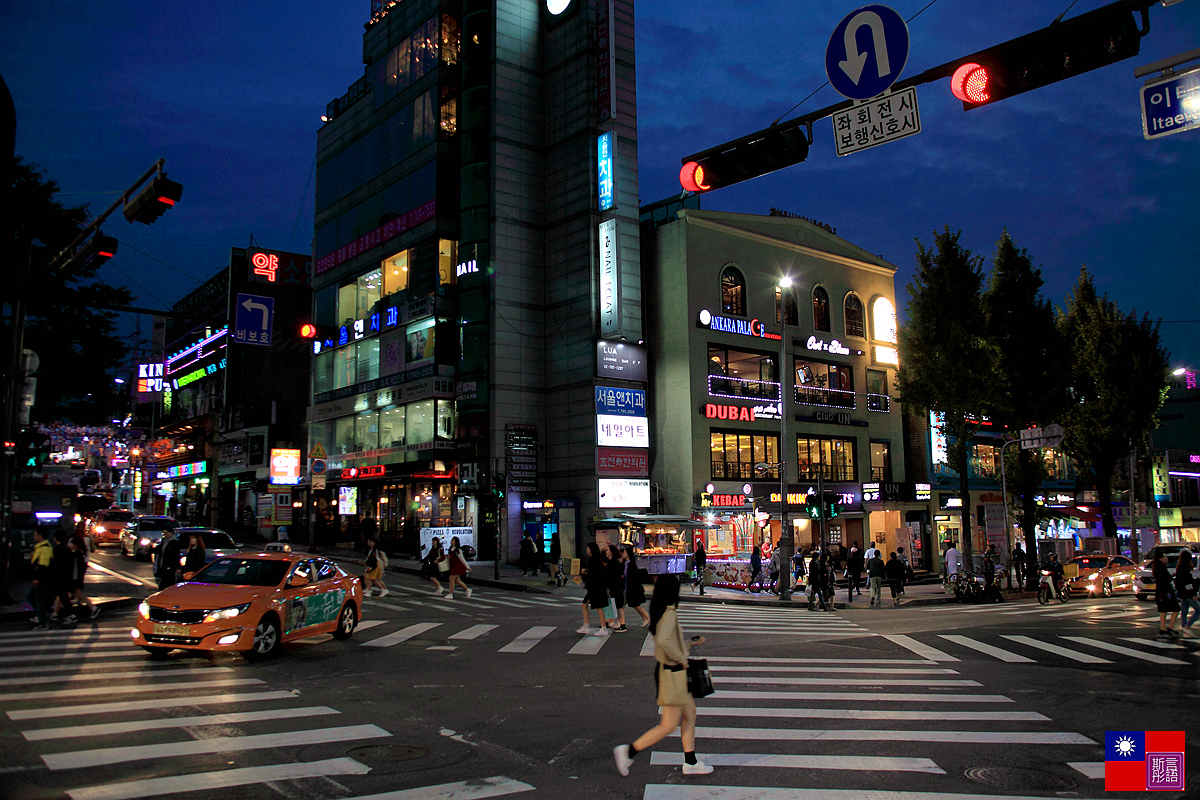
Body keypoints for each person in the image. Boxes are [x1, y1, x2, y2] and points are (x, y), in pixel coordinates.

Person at [612, 574, 713, 777]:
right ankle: (628, 751)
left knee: (689, 714)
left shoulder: (662, 612)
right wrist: (682, 658)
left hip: (671, 672)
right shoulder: (668, 614)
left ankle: (690, 761)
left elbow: (668, 641)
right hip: (672, 674)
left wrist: (691, 644)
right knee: (668, 725)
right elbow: (665, 642)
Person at [578, 542, 612, 636]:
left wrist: (583, 576)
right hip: (597, 587)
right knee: (586, 605)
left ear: (591, 549)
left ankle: (603, 628)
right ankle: (587, 626)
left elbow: (592, 576)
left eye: (587, 548)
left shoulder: (593, 560)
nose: (586, 550)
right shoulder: (597, 560)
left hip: (595, 588)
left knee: (598, 607)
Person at [63, 535, 99, 619]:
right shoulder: (80, 554)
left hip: (76, 579)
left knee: (76, 594)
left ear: (76, 545)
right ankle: (92, 608)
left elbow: (75, 569)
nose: (69, 545)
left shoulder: (76, 555)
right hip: (77, 578)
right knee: (77, 594)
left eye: (70, 543)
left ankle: (93, 608)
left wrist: (73, 579)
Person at [49, 531, 78, 625]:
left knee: (57, 596)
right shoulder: (67, 549)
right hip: (66, 577)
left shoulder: (57, 550)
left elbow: (54, 565)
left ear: (56, 538)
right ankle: (69, 615)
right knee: (62, 596)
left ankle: (45, 614)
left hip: (58, 577)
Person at [28, 529, 55, 629]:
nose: (33, 537)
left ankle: (43, 621)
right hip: (39, 579)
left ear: (40, 535)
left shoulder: (45, 548)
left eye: (35, 534)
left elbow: (43, 565)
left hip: (42, 580)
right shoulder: (40, 547)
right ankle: (42, 615)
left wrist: (37, 578)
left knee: (39, 600)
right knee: (32, 597)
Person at [1154, 549, 1181, 638]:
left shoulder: (1157, 568)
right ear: (1160, 559)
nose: (1166, 558)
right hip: (1166, 592)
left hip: (1160, 592)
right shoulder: (1162, 568)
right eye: (1164, 557)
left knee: (1163, 610)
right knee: (1176, 608)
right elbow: (1166, 580)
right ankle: (1170, 626)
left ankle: (1163, 627)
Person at [624, 546, 651, 627]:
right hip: (628, 587)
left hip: (633, 588)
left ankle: (648, 618)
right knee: (634, 605)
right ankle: (645, 619)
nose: (623, 553)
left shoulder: (631, 564)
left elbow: (632, 577)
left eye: (624, 552)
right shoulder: (626, 563)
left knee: (635, 605)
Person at [1175, 548, 1198, 639]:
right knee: (1198, 609)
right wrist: (1194, 593)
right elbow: (1188, 583)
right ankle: (1187, 626)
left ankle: (1185, 628)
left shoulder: (1179, 568)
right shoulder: (1186, 569)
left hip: (1182, 593)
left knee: (1184, 611)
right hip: (1188, 594)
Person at [606, 544, 627, 631]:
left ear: (611, 552)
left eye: (607, 550)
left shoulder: (614, 563)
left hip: (615, 587)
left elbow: (613, 576)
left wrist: (608, 587)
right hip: (614, 586)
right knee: (615, 605)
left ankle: (622, 624)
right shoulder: (612, 562)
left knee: (618, 606)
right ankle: (610, 621)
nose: (605, 552)